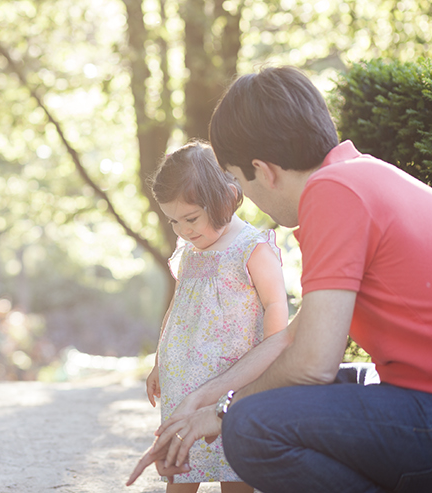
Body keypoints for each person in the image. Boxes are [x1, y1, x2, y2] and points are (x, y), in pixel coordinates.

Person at [127, 66, 432, 491]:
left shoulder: (333, 194)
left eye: (235, 179)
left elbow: (312, 364)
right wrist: (209, 395)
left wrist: (225, 412)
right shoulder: (362, 176)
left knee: (250, 427)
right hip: (415, 394)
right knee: (271, 397)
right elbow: (294, 338)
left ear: (263, 170)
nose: (241, 195)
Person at [141, 141, 288, 493]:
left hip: (233, 377)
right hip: (183, 379)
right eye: (174, 220)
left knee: (235, 465)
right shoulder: (189, 252)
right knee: (180, 466)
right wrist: (160, 362)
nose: (183, 230)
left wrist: (271, 361)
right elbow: (178, 311)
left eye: (191, 218)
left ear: (225, 199)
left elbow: (275, 305)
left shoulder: (251, 247)